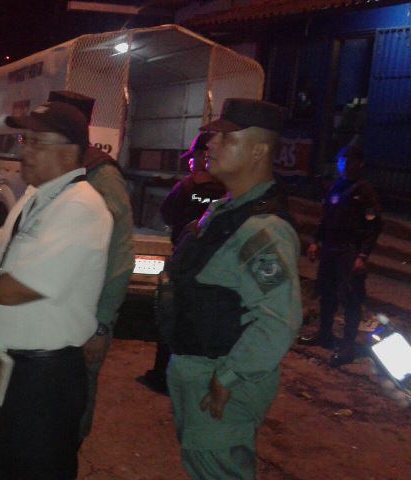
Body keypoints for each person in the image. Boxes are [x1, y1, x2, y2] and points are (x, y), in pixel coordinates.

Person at [0, 91, 133, 479]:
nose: (25, 151)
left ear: (70, 151)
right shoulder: (36, 196)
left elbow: (23, 286)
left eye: (37, 142)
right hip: (9, 365)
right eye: (25, 140)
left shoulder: (81, 206)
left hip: (44, 377)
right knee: (4, 464)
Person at [160, 98, 301, 480]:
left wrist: (228, 378)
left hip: (220, 379)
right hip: (200, 370)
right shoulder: (228, 210)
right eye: (213, 137)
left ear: (258, 151)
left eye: (227, 138)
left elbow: (279, 321)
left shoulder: (262, 230)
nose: (210, 144)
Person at [139, 132, 226, 395]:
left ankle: (162, 376)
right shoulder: (227, 189)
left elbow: (167, 213)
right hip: (215, 265)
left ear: (202, 155)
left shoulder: (187, 186)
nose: (190, 162)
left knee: (172, 316)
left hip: (186, 261)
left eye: (192, 157)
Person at [299, 144, 382, 367]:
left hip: (350, 250)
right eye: (341, 160)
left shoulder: (364, 191)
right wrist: (316, 241)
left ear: (359, 163)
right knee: (327, 293)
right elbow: (326, 217)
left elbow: (374, 226)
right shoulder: (337, 185)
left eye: (349, 160)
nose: (344, 164)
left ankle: (347, 347)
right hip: (330, 248)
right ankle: (324, 334)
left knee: (350, 298)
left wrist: (362, 255)